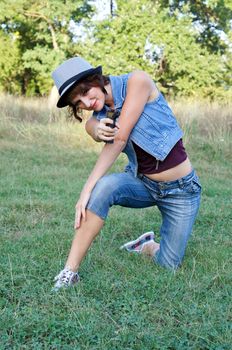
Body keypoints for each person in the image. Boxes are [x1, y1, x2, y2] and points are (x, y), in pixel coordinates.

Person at [51, 57, 201, 291]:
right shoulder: (101, 112)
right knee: (104, 188)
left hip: (181, 191)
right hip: (142, 184)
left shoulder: (137, 81)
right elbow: (91, 125)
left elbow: (119, 139)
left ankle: (146, 245)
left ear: (96, 79)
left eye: (85, 91)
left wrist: (85, 189)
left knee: (168, 265)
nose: (86, 102)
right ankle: (69, 272)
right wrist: (93, 130)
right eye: (77, 102)